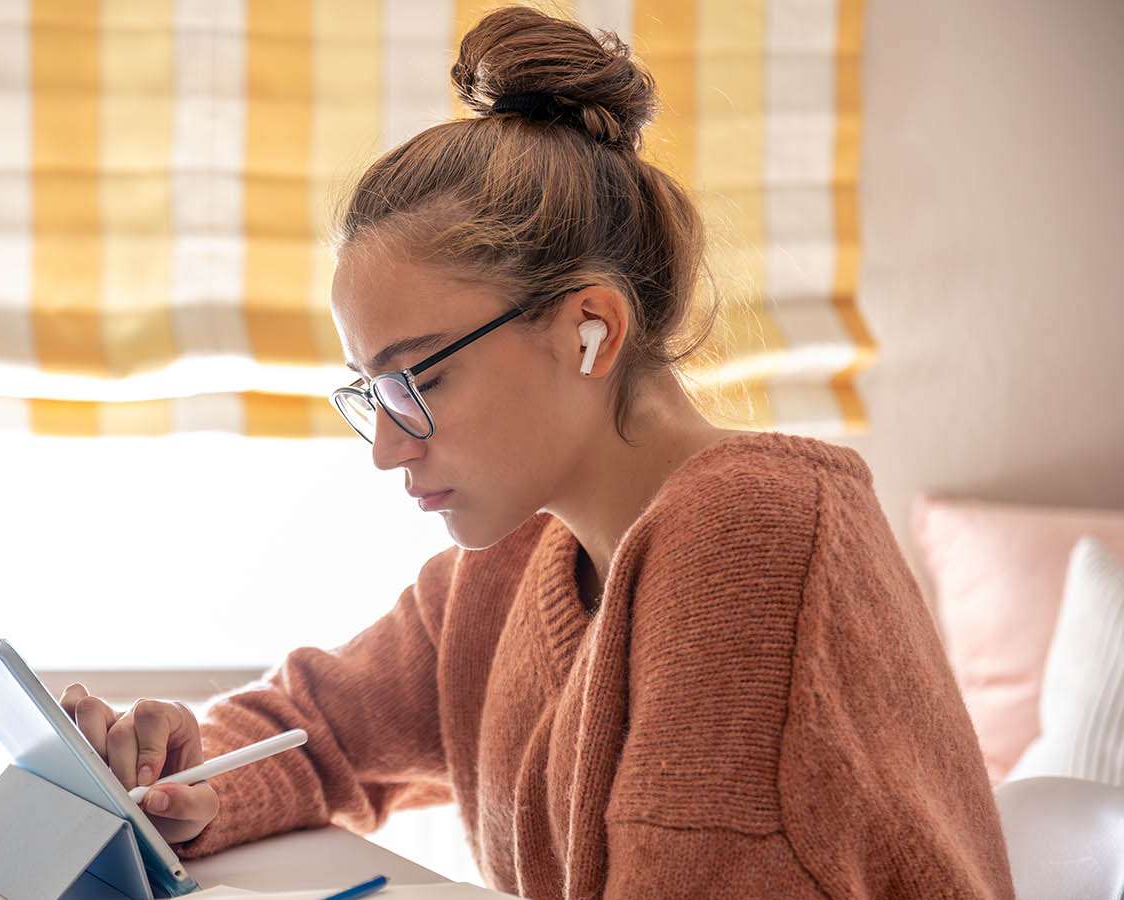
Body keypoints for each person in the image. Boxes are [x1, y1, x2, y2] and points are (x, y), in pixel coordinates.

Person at [60, 7, 1014, 897]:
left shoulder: (751, 541)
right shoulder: (507, 573)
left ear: (590, 329)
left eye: (419, 383)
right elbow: (318, 736)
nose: (388, 450)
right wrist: (181, 777)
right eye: (372, 394)